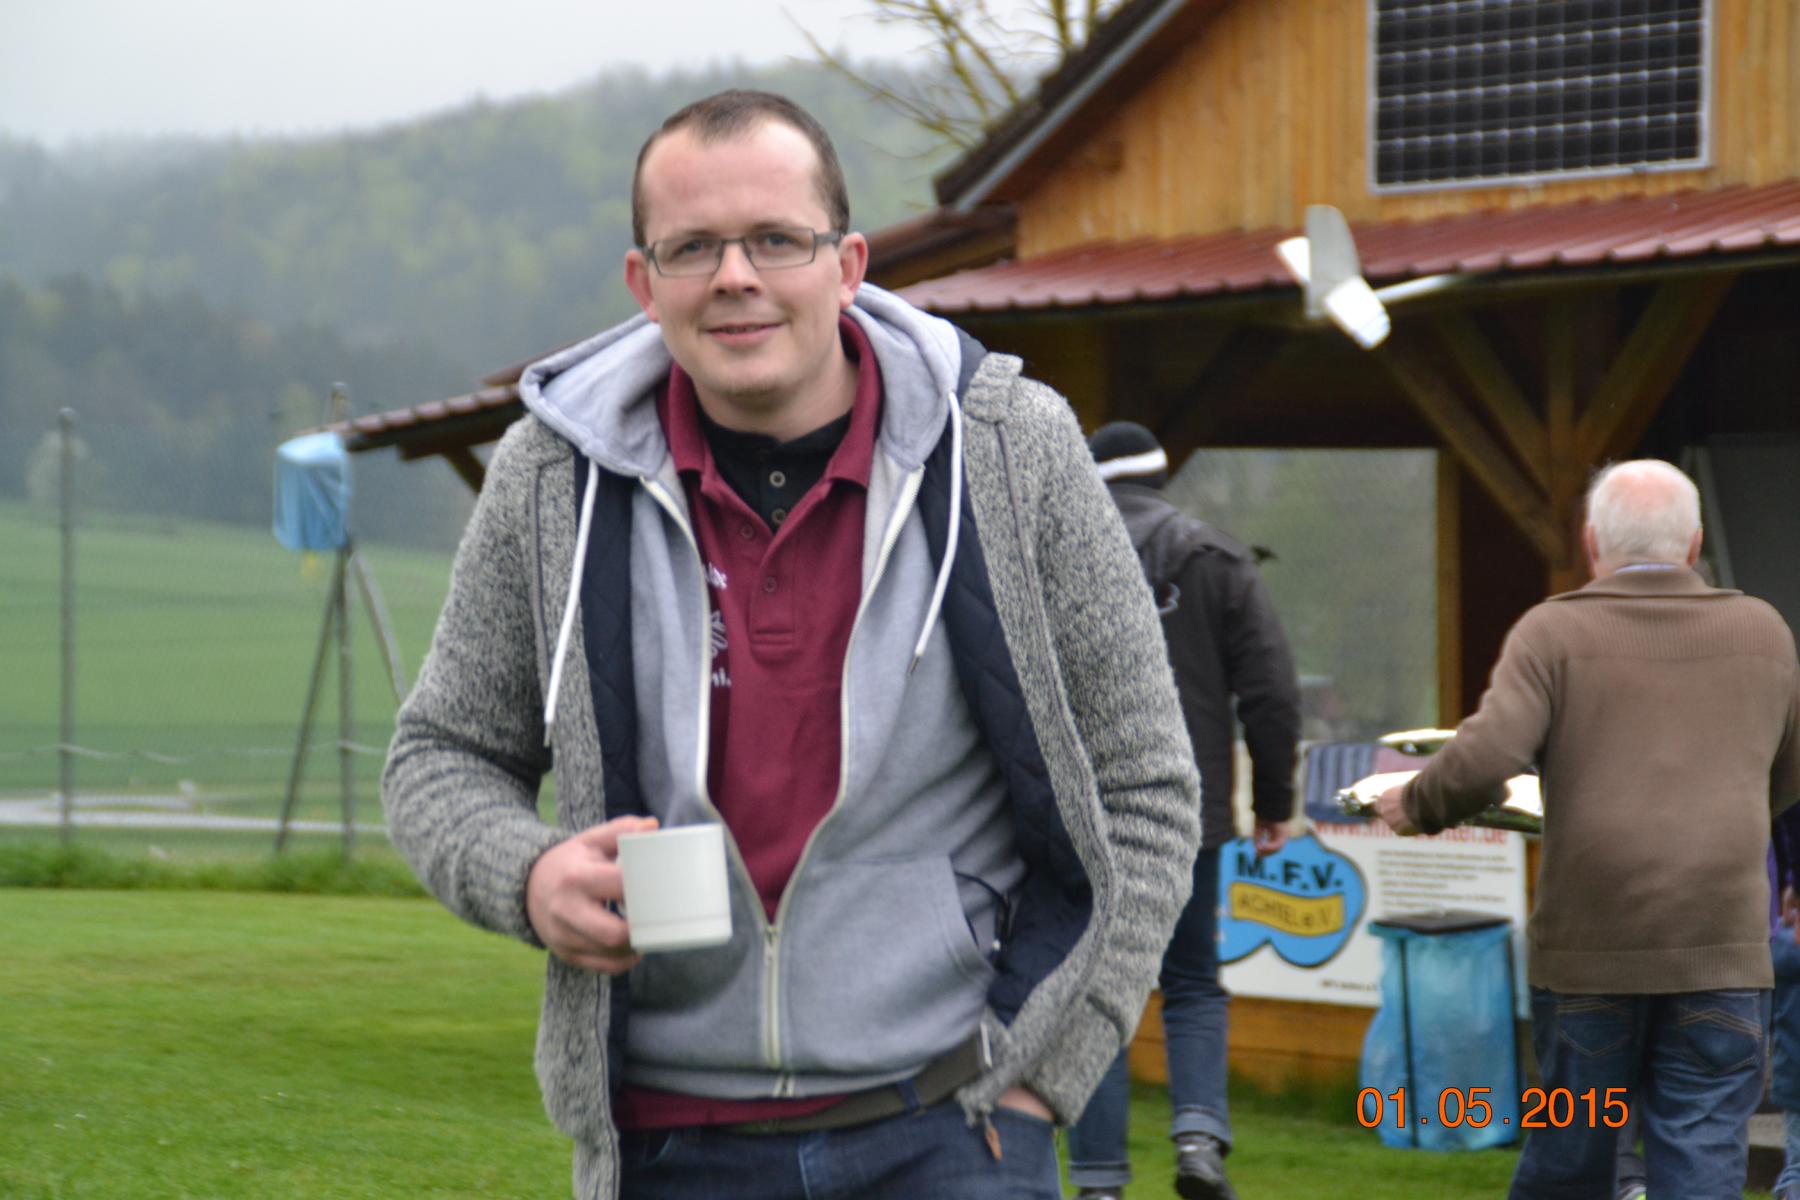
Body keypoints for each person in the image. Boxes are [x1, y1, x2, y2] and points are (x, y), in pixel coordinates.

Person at [382, 89, 1201, 1200]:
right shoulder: (553, 474)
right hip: (663, 1148)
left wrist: (1043, 1076)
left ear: (847, 264)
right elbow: (439, 756)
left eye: (776, 239)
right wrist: (525, 876)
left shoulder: (1012, 451)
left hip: (952, 1128)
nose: (735, 276)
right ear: (643, 282)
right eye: (693, 247)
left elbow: (1146, 787)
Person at [1377, 459, 1800, 1200]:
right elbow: (1788, 778)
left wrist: (1416, 804)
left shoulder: (1552, 631)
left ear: (1591, 543)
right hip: (1723, 951)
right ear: (1695, 543)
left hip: (1589, 954)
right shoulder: (1764, 632)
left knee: (1571, 1158)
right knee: (1702, 1156)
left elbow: (1489, 754)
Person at [1067, 424, 1300, 1200]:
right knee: (1193, 981)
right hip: (1187, 816)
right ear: (1162, 477)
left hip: (1082, 816)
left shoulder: (1056, 555)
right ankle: (1199, 1141)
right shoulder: (1218, 560)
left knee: (1095, 992)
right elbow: (1271, 693)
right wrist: (1274, 804)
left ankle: (1099, 1182)